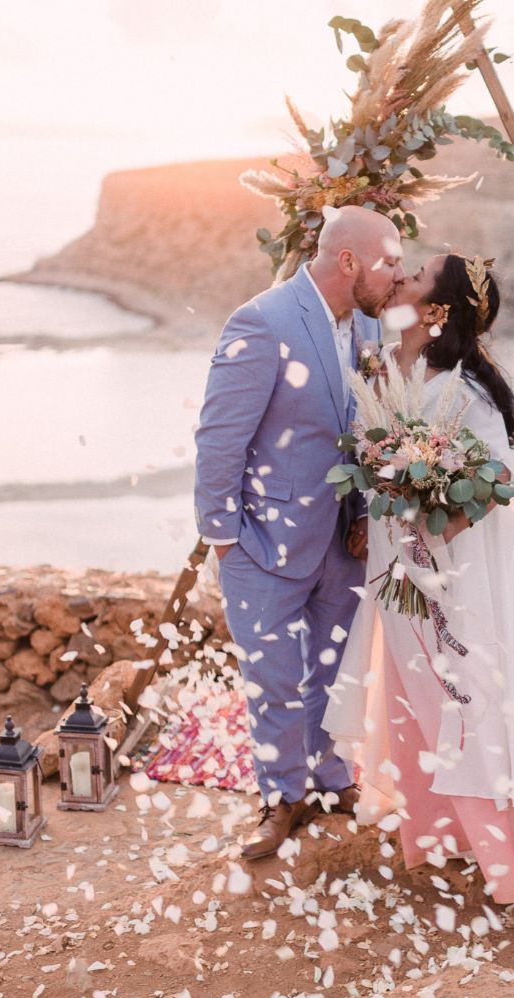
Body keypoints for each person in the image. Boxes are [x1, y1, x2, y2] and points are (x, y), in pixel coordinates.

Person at [322, 253, 514, 909]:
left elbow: (497, 484)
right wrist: (368, 516)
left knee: (464, 701)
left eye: (415, 275)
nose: (397, 273)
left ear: (435, 312)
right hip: (395, 569)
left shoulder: (463, 392)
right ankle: (437, 832)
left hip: (449, 581)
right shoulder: (385, 367)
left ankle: (510, 856)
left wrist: (431, 512)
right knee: (413, 695)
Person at [194, 206, 406, 859]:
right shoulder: (261, 321)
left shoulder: (369, 326)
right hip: (263, 542)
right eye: (389, 261)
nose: (397, 274)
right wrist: (224, 538)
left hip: (344, 540)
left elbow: (374, 430)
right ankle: (280, 798)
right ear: (349, 262)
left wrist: (370, 514)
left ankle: (329, 779)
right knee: (275, 679)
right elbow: (219, 437)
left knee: (331, 670)